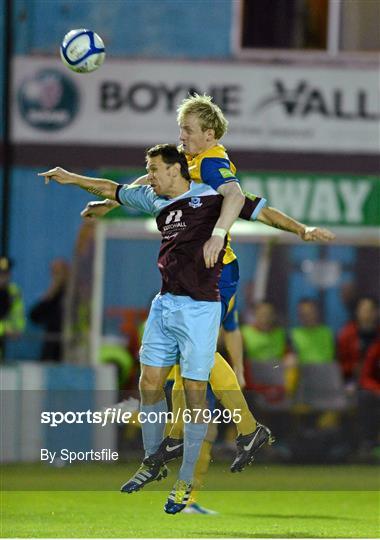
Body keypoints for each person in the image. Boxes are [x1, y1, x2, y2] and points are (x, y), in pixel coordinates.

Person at [81, 95, 335, 479]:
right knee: (191, 356)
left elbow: (240, 199)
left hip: (218, 270)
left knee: (194, 354)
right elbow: (152, 183)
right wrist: (111, 203)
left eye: (187, 130)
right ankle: (230, 431)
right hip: (204, 271)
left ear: (209, 134)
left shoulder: (214, 161)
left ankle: (220, 431)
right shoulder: (192, 164)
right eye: (180, 129)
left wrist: (285, 230)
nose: (180, 136)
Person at [38, 144, 269, 514]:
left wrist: (226, 232)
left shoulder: (211, 192)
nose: (149, 176)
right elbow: (113, 188)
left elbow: (242, 198)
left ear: (176, 169)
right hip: (165, 304)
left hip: (200, 305)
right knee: (151, 384)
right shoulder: (155, 200)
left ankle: (189, 482)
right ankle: (157, 458)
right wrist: (71, 178)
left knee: (193, 393)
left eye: (154, 169)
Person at [29, 258, 69, 361]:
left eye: (58, 272)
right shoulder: (52, 295)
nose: (55, 276)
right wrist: (49, 295)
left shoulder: (72, 296)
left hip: (66, 348)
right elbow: (34, 316)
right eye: (53, 272)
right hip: (51, 347)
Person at [337, 296, 380, 385]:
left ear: (377, 312)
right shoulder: (347, 334)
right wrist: (352, 368)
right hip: (352, 380)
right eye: (363, 309)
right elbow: (339, 364)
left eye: (370, 310)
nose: (366, 313)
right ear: (357, 311)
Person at [290, 298, 335, 364]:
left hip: (325, 370)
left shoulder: (327, 332)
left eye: (309, 312)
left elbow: (332, 357)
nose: (306, 316)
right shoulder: (293, 334)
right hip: (302, 371)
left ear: (316, 312)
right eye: (303, 313)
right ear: (299, 315)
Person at [0, 256, 26, 360]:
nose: (2, 277)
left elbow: (18, 318)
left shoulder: (14, 292)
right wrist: (5, 329)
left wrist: (17, 330)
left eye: (5, 273)